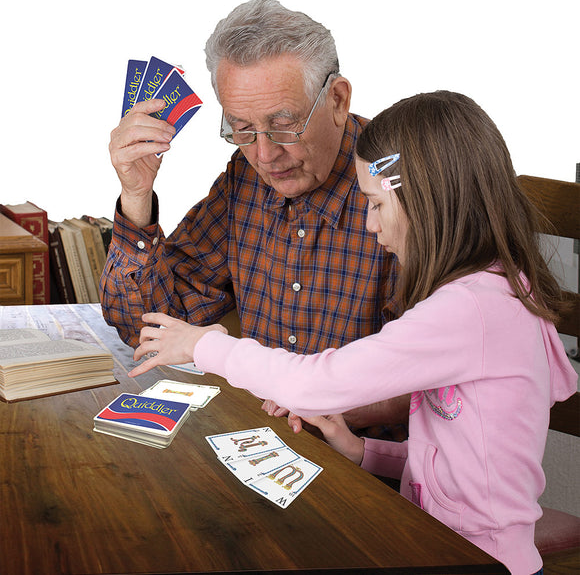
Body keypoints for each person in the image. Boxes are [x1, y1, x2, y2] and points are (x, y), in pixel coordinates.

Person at [128, 91, 578, 575]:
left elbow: (318, 382)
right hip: (433, 538)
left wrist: (203, 344)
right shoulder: (485, 297)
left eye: (376, 204)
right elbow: (452, 460)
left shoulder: (472, 310)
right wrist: (364, 451)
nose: (369, 224)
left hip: (478, 559)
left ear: (426, 203)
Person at [102, 0, 408, 430]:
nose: (265, 155)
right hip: (259, 441)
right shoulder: (244, 178)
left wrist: (311, 401)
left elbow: (435, 383)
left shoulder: (404, 186)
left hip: (373, 471)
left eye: (285, 125)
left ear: (337, 100)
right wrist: (136, 196)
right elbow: (150, 330)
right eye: (241, 129)